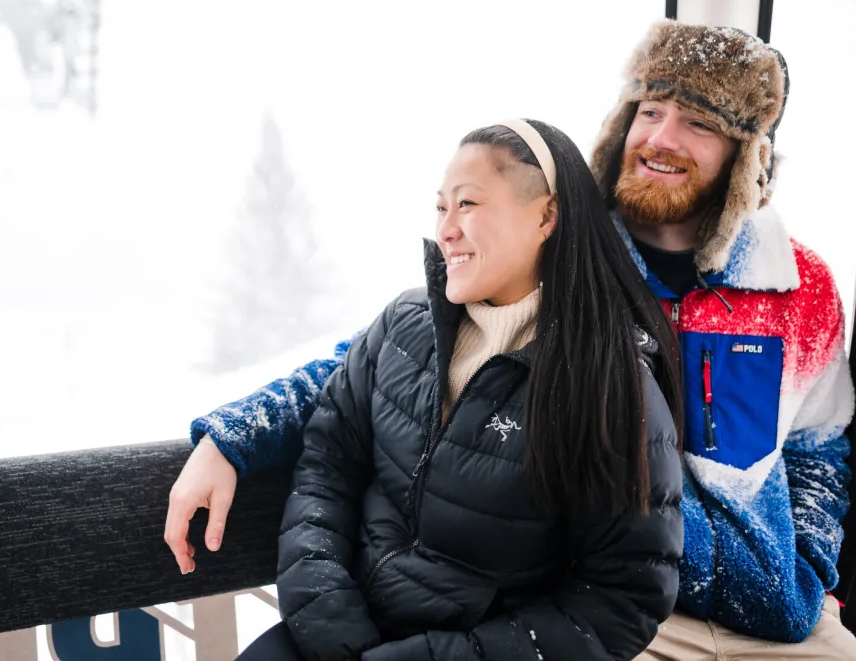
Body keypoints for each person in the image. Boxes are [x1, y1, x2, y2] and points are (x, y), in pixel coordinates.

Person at [165, 21, 856, 659]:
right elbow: (396, 361)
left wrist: (807, 565)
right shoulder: (570, 256)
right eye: (649, 112)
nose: (660, 139)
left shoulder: (795, 288)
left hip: (780, 620)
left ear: (745, 153)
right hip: (642, 614)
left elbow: (820, 447)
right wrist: (234, 436)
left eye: (696, 122)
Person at [233, 119, 684, 660]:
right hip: (332, 635)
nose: (446, 229)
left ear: (547, 216)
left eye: (468, 204)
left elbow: (621, 599)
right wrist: (328, 616)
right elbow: (327, 465)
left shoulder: (607, 386)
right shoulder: (403, 326)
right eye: (441, 208)